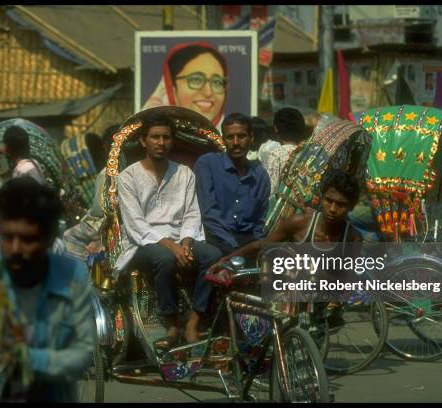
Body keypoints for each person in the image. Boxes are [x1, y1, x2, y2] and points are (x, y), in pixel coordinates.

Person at [0, 177, 94, 402]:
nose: (16, 249)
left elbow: (82, 356)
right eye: (8, 237)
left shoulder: (72, 277)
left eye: (28, 240)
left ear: (50, 239)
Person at [113, 114, 222, 348]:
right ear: (144, 141)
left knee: (213, 256)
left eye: (166, 137)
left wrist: (186, 244)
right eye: (155, 137)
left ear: (172, 141)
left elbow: (192, 213)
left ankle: (194, 319)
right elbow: (136, 225)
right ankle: (172, 323)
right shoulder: (128, 177)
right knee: (164, 258)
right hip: (142, 244)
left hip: (181, 239)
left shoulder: (184, 173)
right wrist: (173, 248)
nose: (160, 142)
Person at [209, 170, 362, 327]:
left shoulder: (352, 238)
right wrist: (225, 260)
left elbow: (348, 277)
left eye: (341, 204)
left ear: (351, 207)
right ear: (322, 198)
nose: (333, 209)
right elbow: (262, 245)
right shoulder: (299, 223)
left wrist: (338, 300)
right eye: (329, 201)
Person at [194, 113, 271, 256]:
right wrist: (236, 249)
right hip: (216, 238)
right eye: (230, 137)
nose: (236, 142)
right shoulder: (207, 164)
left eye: (241, 136)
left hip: (248, 241)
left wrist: (258, 245)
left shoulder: (260, 175)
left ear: (251, 138)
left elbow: (260, 220)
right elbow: (209, 214)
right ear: (223, 140)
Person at [143, 42, 228, 127]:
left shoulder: (232, 137)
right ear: (171, 88)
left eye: (217, 82)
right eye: (196, 80)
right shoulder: (153, 137)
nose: (208, 92)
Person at [263, 108, 307, 201]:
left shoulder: (276, 155)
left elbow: (271, 191)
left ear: (276, 129)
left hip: (282, 210)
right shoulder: (307, 152)